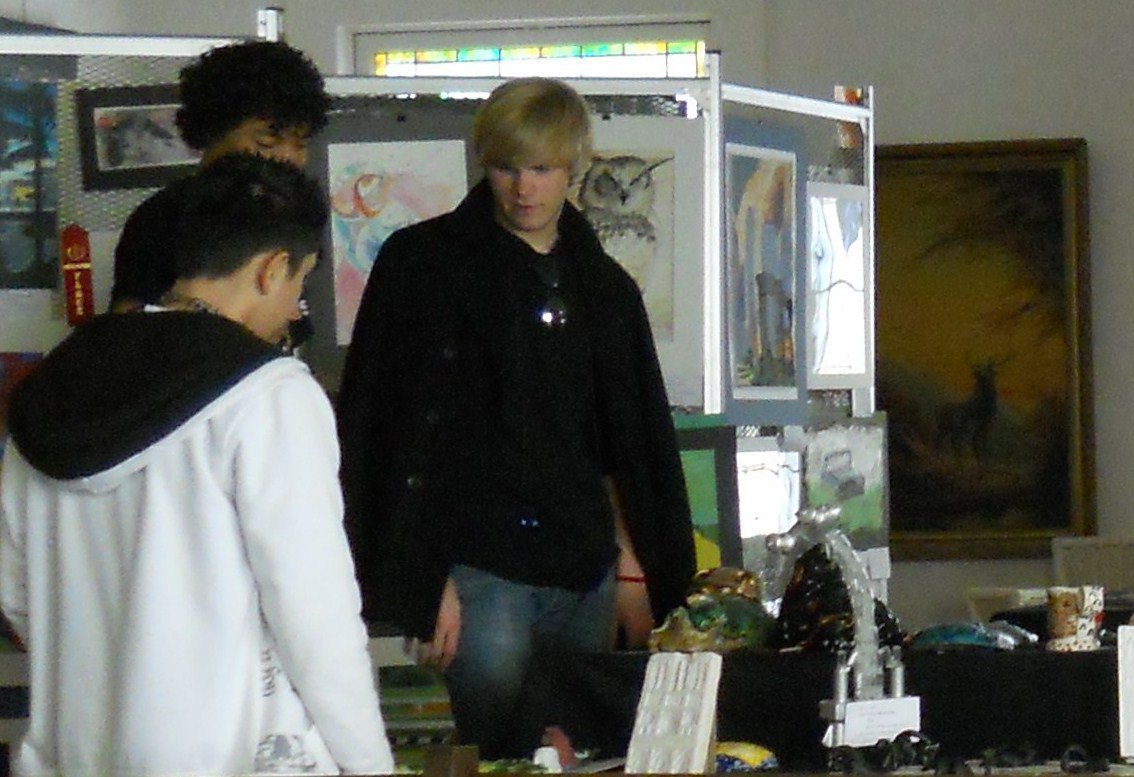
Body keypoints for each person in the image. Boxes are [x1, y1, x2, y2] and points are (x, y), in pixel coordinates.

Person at [0, 153, 394, 776]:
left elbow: (15, 590)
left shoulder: (52, 386)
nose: (296, 309)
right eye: (301, 283)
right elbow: (313, 613)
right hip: (234, 754)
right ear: (271, 270)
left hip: (74, 752)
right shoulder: (270, 394)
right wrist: (369, 764)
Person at [336, 77, 695, 757]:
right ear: (483, 164)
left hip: (583, 571)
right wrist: (422, 579)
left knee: (580, 753)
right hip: (477, 571)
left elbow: (619, 447)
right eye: (507, 167)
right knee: (500, 751)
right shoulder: (422, 266)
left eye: (542, 168)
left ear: (573, 167)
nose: (523, 188)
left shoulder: (605, 288)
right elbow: (382, 431)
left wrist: (631, 571)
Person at [110, 38, 330, 338]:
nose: (288, 157)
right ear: (211, 131)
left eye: (300, 143)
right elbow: (129, 334)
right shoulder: (165, 216)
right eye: (267, 141)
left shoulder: (295, 214)